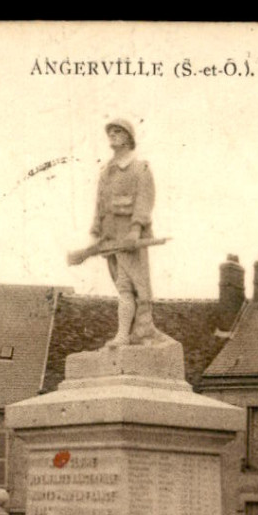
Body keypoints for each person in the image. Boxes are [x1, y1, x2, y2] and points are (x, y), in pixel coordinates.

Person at [90, 119, 161, 346]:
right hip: (111, 238)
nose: (112, 134)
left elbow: (144, 199)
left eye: (117, 131)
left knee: (137, 286)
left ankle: (138, 331)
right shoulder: (107, 172)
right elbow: (100, 205)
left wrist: (136, 229)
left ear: (128, 137)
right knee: (122, 286)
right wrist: (95, 234)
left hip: (131, 238)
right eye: (110, 131)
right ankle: (126, 333)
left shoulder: (141, 168)